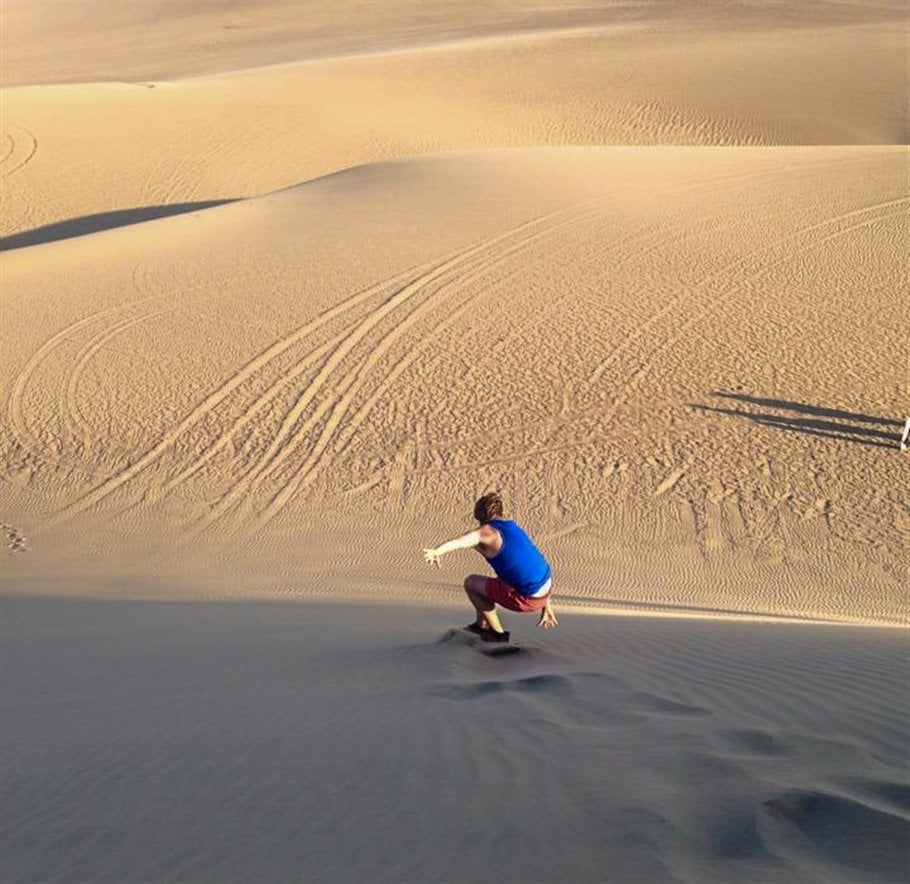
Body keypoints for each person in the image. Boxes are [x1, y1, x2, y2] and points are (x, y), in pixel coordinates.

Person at [423, 492, 557, 643]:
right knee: (491, 583)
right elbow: (532, 567)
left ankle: (498, 635)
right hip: (545, 593)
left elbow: (460, 541)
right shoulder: (513, 528)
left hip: (526, 599)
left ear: (480, 517)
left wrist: (437, 551)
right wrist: (547, 606)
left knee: (471, 583)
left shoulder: (486, 533)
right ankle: (481, 625)